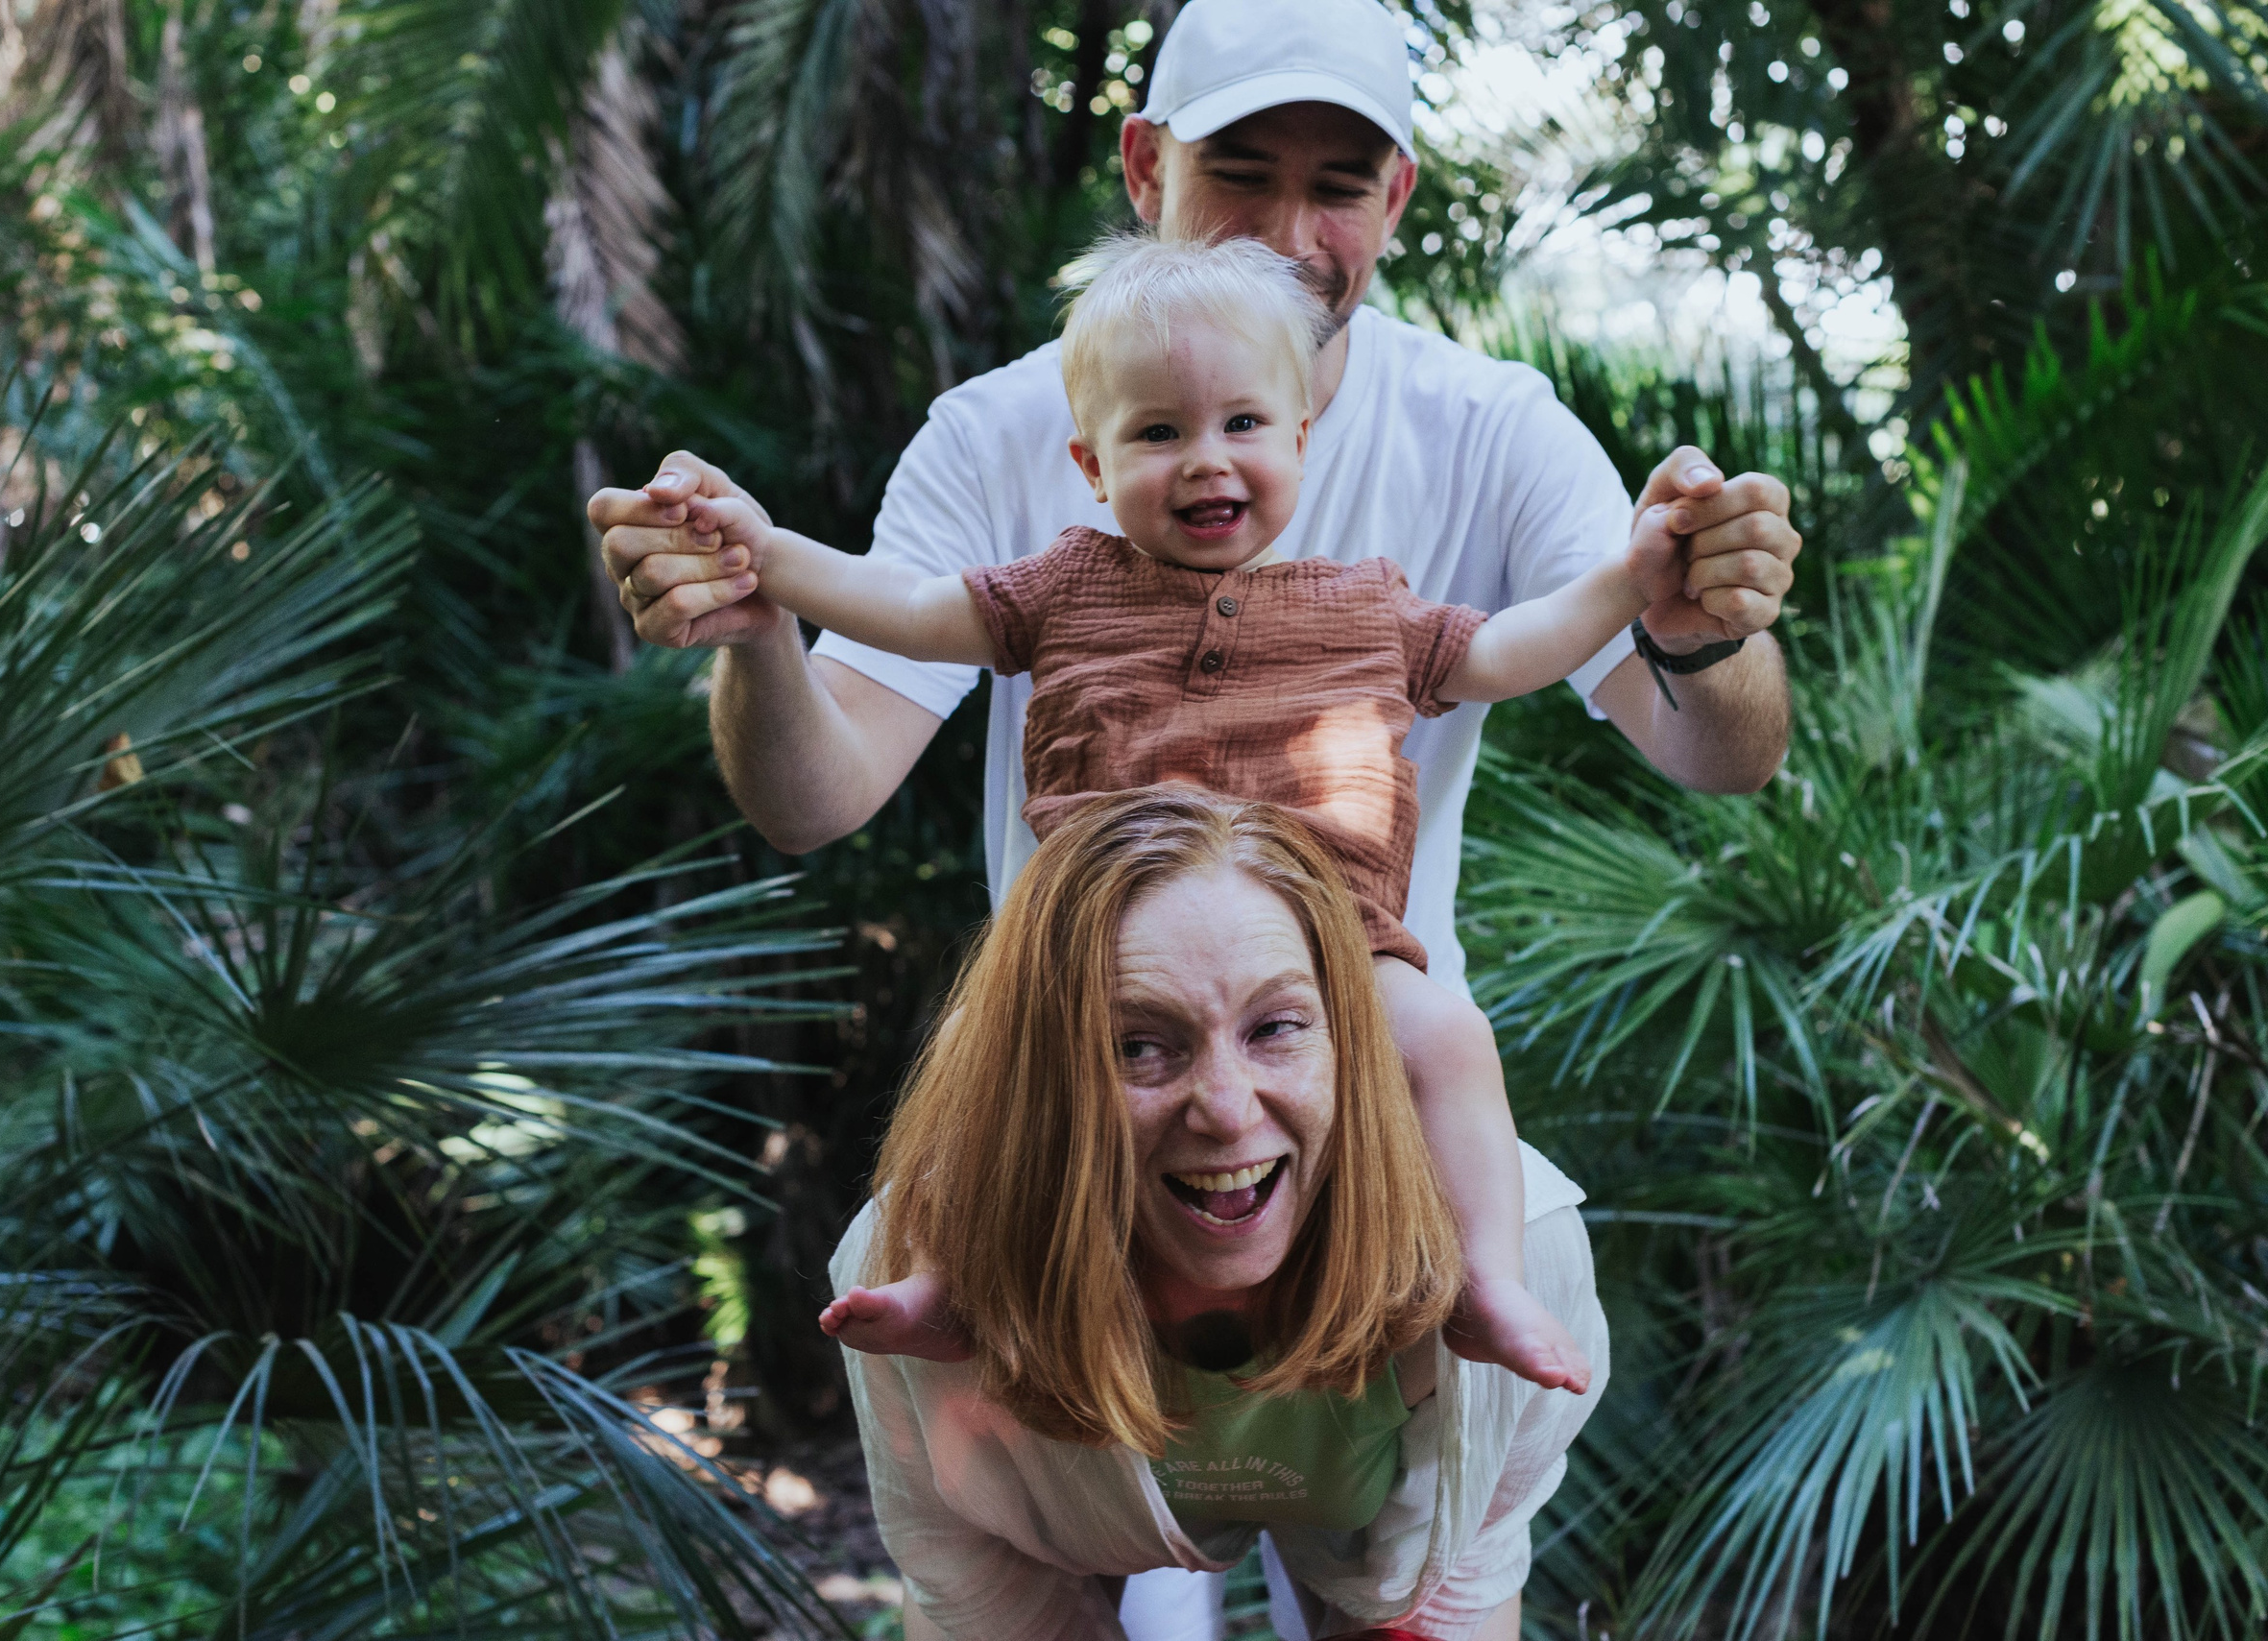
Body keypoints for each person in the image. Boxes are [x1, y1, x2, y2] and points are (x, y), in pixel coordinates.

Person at [672, 232, 1674, 1393]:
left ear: (1301, 441)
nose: (1206, 461)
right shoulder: (1060, 589)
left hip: (1333, 942)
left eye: (1243, 425)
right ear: (1091, 466)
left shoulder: (1368, 606)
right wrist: (770, 559)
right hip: (1102, 941)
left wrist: (1627, 576)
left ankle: (1488, 1281)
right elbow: (900, 603)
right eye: (1158, 432)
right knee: (975, 1040)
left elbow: (1512, 649)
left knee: (1448, 1036)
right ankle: (950, 1269)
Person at [835, 786, 1607, 1640]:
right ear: (1044, 1083)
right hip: (1043, 1500)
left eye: (1276, 1027)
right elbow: (976, 1578)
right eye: (1136, 1044)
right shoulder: (908, 1261)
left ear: (1353, 1042)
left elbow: (1454, 1577)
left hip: (1400, 1490)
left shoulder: (1520, 1247)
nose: (1227, 1110)